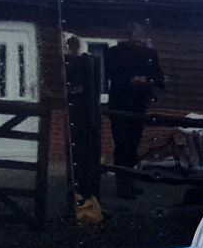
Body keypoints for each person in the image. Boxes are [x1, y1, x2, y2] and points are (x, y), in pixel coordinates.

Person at [104, 27, 165, 197]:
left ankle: (130, 180)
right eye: (135, 34)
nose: (138, 38)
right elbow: (110, 74)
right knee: (122, 144)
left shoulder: (149, 54)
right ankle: (122, 185)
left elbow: (159, 77)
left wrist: (148, 80)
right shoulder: (114, 53)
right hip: (119, 104)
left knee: (133, 143)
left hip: (138, 105)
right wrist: (130, 80)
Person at [64, 36, 103, 217]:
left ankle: (89, 190)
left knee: (88, 151)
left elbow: (88, 89)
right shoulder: (66, 63)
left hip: (87, 112)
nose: (73, 48)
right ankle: (78, 189)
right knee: (75, 152)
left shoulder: (86, 61)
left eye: (75, 45)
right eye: (70, 45)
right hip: (73, 113)